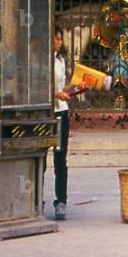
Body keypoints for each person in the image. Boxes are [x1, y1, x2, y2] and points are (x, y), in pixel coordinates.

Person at [51, 30, 71, 221]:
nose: (59, 42)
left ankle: (61, 200)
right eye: (56, 39)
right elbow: (39, 86)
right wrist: (56, 94)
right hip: (46, 111)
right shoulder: (39, 59)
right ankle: (35, 200)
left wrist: (75, 86)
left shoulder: (60, 60)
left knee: (60, 158)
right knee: (40, 158)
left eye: (60, 39)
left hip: (61, 111)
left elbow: (61, 87)